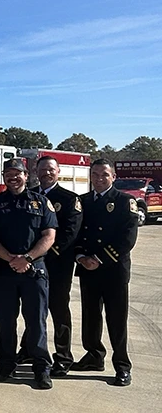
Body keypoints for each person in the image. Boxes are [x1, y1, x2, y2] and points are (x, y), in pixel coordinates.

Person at [0, 159, 57, 390]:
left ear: (27, 176)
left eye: (17, 174)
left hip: (34, 271)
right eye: (8, 174)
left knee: (36, 322)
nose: (12, 178)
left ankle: (41, 368)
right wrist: (11, 259)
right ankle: (6, 364)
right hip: (5, 271)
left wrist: (26, 258)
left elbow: (49, 236)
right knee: (5, 322)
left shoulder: (41, 202)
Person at [72, 159, 138, 387]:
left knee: (116, 319)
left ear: (114, 176)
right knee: (90, 316)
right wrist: (80, 257)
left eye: (104, 175)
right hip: (88, 269)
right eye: (95, 175)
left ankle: (122, 365)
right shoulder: (83, 201)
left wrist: (99, 259)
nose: (99, 179)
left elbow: (127, 238)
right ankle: (93, 356)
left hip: (113, 270)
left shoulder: (125, 201)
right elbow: (77, 233)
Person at [16, 156, 83, 376]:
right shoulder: (29, 195)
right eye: (42, 169)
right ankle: (28, 349)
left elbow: (70, 233)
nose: (46, 173)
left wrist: (43, 254)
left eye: (50, 170)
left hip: (57, 265)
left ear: (58, 171)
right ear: (36, 170)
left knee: (59, 310)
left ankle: (63, 357)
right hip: (32, 264)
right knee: (33, 309)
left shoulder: (69, 198)